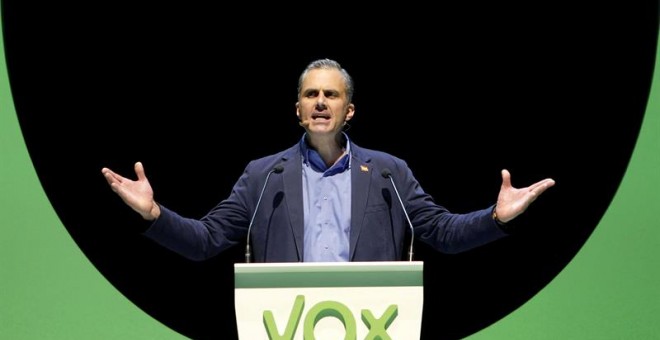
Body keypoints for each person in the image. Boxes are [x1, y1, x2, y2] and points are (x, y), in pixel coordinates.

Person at [101, 58, 555, 263]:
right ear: (297, 109)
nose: (320, 102)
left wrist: (495, 217)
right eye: (310, 94)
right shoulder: (265, 176)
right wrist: (154, 215)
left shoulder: (387, 172)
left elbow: (442, 233)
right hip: (283, 325)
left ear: (348, 110)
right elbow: (206, 239)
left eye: (331, 94)